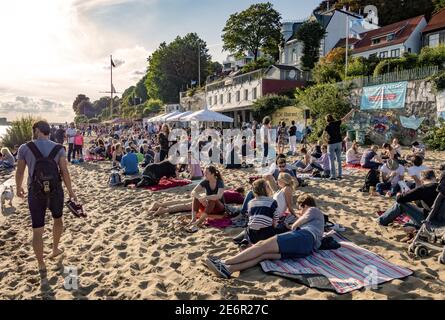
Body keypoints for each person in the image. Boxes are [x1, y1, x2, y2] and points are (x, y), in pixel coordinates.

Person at [205, 194, 324, 279]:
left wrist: (294, 224)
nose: (300, 213)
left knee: (261, 245)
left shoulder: (313, 210)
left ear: (305, 205)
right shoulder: (318, 224)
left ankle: (224, 263)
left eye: (300, 210)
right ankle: (229, 270)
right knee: (263, 255)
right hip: (306, 249)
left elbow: (296, 225)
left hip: (303, 237)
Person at [15, 120, 78, 271]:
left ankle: (41, 264)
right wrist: (71, 191)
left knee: (37, 229)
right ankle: (55, 249)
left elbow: (20, 171)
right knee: (58, 220)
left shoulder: (25, 147)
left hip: (35, 192)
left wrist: (18, 188)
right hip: (56, 191)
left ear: (37, 130)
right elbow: (64, 171)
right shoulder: (59, 148)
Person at [378, 170, 437, 241]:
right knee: (414, 213)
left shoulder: (424, 189)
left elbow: (400, 199)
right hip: (442, 222)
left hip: (430, 222)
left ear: (422, 180)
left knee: (400, 205)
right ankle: (413, 229)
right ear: (434, 177)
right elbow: (424, 204)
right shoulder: (441, 189)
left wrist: (398, 194)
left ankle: (381, 220)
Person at [188, 166, 225, 231]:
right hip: (209, 206)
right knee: (196, 197)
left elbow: (218, 196)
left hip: (219, 208)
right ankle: (193, 219)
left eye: (206, 173)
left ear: (212, 174)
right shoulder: (205, 181)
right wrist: (200, 198)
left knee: (212, 199)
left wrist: (205, 197)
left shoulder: (219, 182)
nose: (204, 175)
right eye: (204, 173)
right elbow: (193, 192)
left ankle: (199, 222)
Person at [323, 110, 354, 180]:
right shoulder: (337, 123)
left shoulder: (327, 126)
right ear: (332, 118)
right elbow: (345, 117)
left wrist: (326, 142)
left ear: (327, 120)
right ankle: (339, 175)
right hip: (339, 142)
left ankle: (333, 176)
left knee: (331, 161)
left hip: (331, 143)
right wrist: (352, 111)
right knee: (339, 159)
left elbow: (323, 136)